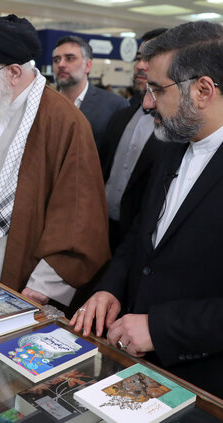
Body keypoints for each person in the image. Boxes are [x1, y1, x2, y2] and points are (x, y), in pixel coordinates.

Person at [71, 21, 223, 398]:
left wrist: (159, 328)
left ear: (203, 90)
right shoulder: (170, 145)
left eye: (157, 89)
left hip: (204, 385)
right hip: (137, 367)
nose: (147, 102)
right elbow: (141, 236)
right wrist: (110, 288)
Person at [0, 15, 110, 309]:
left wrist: (41, 287)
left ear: (13, 71)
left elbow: (78, 217)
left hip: (25, 283)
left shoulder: (64, 121)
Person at [100, 28, 168, 251]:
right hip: (102, 230)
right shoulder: (120, 117)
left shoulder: (176, 130)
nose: (140, 65)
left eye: (149, 58)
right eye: (139, 58)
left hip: (141, 241)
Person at [52, 35, 128, 154]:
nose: (61, 64)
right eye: (56, 59)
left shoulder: (114, 106)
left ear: (87, 65)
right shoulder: (43, 104)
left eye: (69, 58)